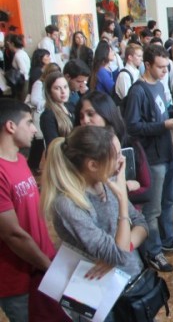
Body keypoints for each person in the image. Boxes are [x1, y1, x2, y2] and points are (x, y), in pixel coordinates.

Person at [41, 126, 150, 321]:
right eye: (116, 155)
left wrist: (127, 246)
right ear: (92, 165)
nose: (122, 160)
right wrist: (123, 201)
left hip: (130, 283)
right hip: (98, 295)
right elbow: (118, 254)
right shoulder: (68, 203)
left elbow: (141, 224)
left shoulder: (107, 181)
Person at [123, 44, 173, 273]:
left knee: (168, 201)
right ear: (147, 65)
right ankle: (154, 251)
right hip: (151, 156)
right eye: (160, 67)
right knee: (152, 209)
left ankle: (168, 238)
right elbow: (132, 126)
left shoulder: (159, 84)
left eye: (166, 66)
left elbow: (163, 109)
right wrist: (162, 125)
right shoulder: (137, 91)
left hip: (167, 151)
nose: (165, 71)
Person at [0, 99, 67, 321]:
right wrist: (47, 265)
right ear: (10, 126)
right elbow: (12, 234)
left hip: (41, 267)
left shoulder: (19, 159)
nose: (33, 129)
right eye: (29, 122)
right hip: (18, 278)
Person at [76, 91, 151, 209]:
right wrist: (124, 188)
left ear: (106, 114)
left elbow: (147, 191)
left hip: (131, 215)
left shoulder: (130, 144)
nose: (85, 120)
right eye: (81, 116)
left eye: (91, 114)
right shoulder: (77, 151)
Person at [39, 71, 74, 146]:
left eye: (65, 87)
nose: (63, 91)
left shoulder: (71, 107)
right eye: (57, 88)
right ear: (49, 92)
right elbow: (53, 146)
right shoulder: (48, 116)